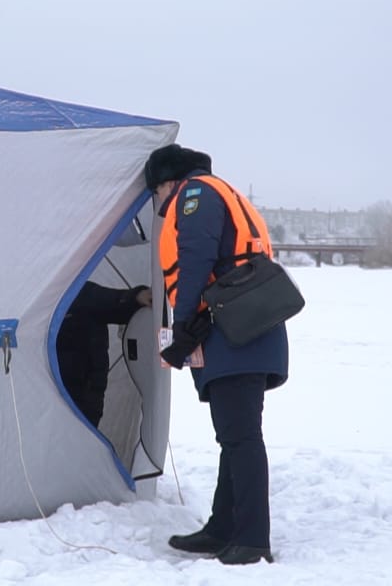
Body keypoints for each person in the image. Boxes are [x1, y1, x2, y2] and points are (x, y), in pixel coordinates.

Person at [144, 143, 289, 566]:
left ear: (167, 181)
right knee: (234, 435)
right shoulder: (218, 191)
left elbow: (195, 259)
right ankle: (223, 528)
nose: (157, 202)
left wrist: (182, 326)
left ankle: (252, 540)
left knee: (241, 437)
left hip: (233, 331)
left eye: (155, 192)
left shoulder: (194, 195)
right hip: (245, 327)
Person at [57, 281, 152, 427]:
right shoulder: (33, 297)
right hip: (48, 397)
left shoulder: (79, 292)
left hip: (83, 397)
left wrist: (136, 297)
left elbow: (113, 302)